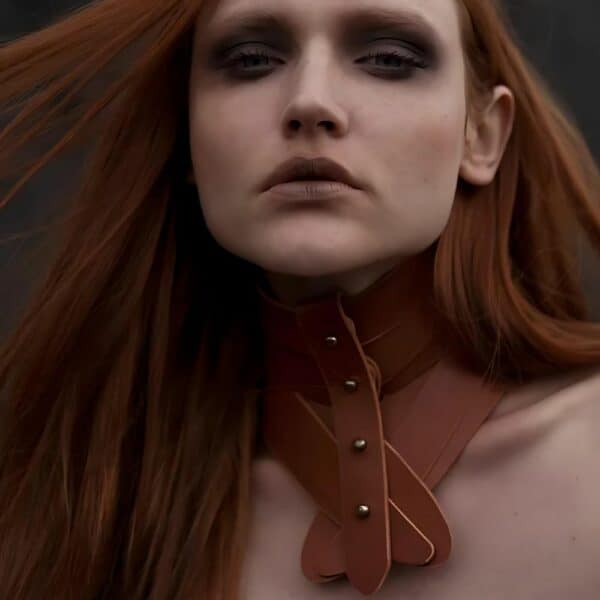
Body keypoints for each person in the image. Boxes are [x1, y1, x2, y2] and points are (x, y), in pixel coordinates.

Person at [0, 0, 599, 598]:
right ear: (186, 135)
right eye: (252, 59)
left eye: (389, 58)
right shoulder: (75, 498)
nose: (309, 100)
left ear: (482, 136)